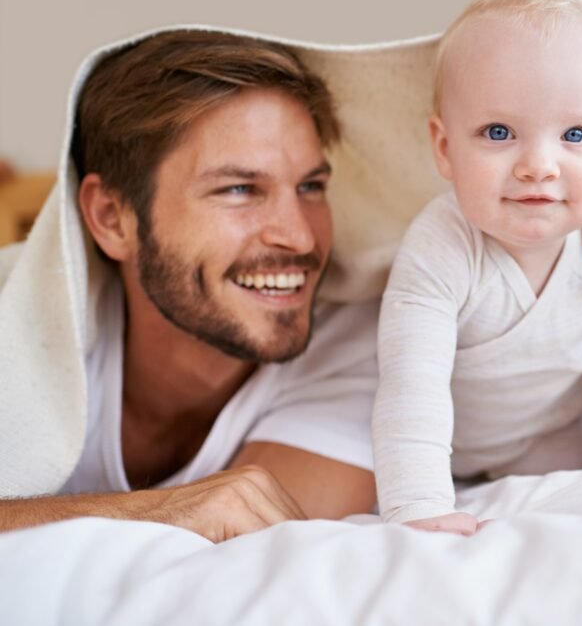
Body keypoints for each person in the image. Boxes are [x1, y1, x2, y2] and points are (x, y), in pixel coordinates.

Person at [0, 31, 379, 542]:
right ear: (113, 218)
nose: (300, 235)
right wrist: (155, 512)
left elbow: (255, 552)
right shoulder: (14, 319)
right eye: (240, 189)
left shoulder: (360, 343)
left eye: (311, 186)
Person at [372, 0, 582, 535]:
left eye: (575, 134)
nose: (539, 165)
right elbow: (413, 381)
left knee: (572, 521)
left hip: (550, 436)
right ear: (445, 148)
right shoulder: (441, 246)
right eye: (499, 131)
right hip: (438, 441)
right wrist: (418, 504)